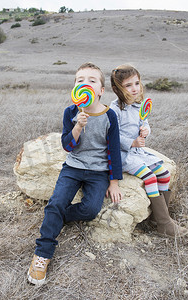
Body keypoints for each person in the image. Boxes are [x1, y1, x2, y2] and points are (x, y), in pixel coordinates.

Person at [27, 62, 123, 285]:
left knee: (90, 210)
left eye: (92, 80)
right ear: (75, 88)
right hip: (73, 166)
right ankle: (43, 253)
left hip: (98, 172)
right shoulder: (71, 112)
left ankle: (57, 215)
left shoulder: (110, 117)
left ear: (101, 90)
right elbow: (67, 146)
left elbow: (114, 151)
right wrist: (77, 126)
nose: (85, 83)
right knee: (57, 201)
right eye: (80, 80)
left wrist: (114, 181)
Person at [109, 64, 188, 238]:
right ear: (116, 89)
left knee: (164, 174)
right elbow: (112, 137)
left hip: (139, 153)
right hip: (124, 156)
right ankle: (164, 224)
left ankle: (158, 217)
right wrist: (132, 142)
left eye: (137, 83)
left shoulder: (139, 106)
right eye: (128, 85)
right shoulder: (115, 110)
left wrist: (146, 130)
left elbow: (144, 123)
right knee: (151, 177)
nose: (134, 88)